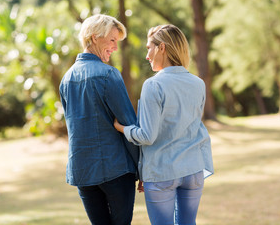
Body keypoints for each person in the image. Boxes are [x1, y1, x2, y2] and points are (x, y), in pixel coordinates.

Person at [114, 24, 214, 225]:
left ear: (162, 48)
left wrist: (122, 128)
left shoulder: (153, 85)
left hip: (162, 173)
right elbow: (193, 126)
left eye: (149, 48)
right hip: (193, 170)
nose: (147, 55)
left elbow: (147, 136)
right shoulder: (198, 83)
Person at [59, 14, 139, 225]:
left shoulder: (66, 79)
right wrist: (143, 168)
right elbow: (128, 123)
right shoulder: (108, 75)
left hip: (82, 173)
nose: (115, 47)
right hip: (116, 170)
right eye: (112, 40)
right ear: (94, 38)